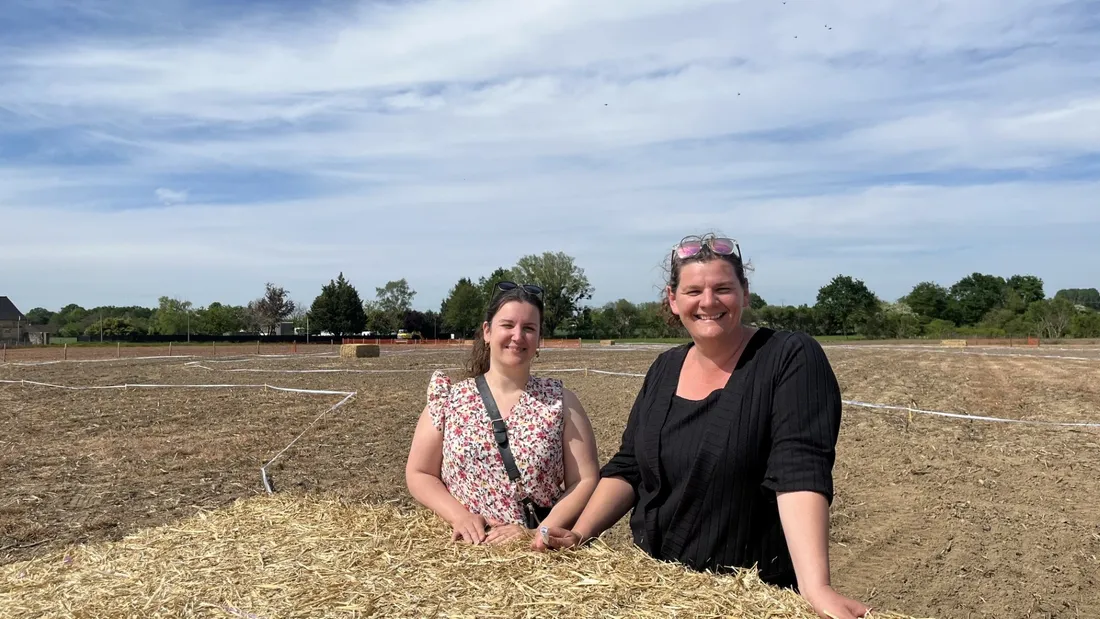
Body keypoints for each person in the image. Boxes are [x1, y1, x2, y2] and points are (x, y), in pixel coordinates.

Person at [538, 234, 871, 619]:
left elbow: (799, 470)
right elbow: (629, 467)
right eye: (694, 290)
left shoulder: (788, 357)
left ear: (745, 294)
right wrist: (581, 534)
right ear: (673, 299)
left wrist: (816, 586)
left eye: (723, 288)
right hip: (657, 590)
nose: (708, 302)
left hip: (749, 597)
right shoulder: (664, 369)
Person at [405, 281, 600, 546]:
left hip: (533, 556)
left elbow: (585, 480)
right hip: (462, 553)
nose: (517, 336)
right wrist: (459, 517)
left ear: (539, 339)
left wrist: (539, 532)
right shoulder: (449, 400)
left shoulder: (561, 402)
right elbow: (419, 473)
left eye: (529, 328)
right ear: (487, 331)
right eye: (507, 325)